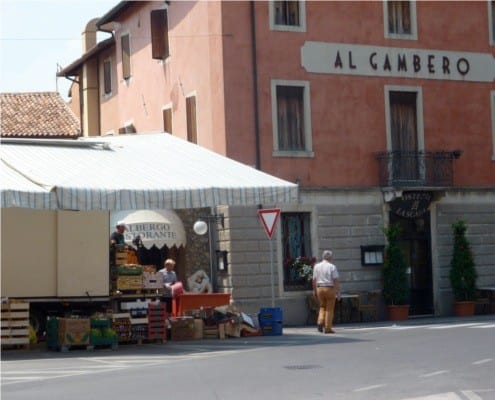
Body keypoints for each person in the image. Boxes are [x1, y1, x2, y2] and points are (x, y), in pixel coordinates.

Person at [312, 250, 341, 334]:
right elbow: (335, 280)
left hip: (319, 288)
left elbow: (314, 280)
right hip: (329, 288)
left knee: (322, 306)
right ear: (330, 257)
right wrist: (338, 292)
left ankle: (320, 322)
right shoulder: (332, 266)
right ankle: (328, 328)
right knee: (329, 309)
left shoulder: (316, 266)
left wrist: (314, 290)